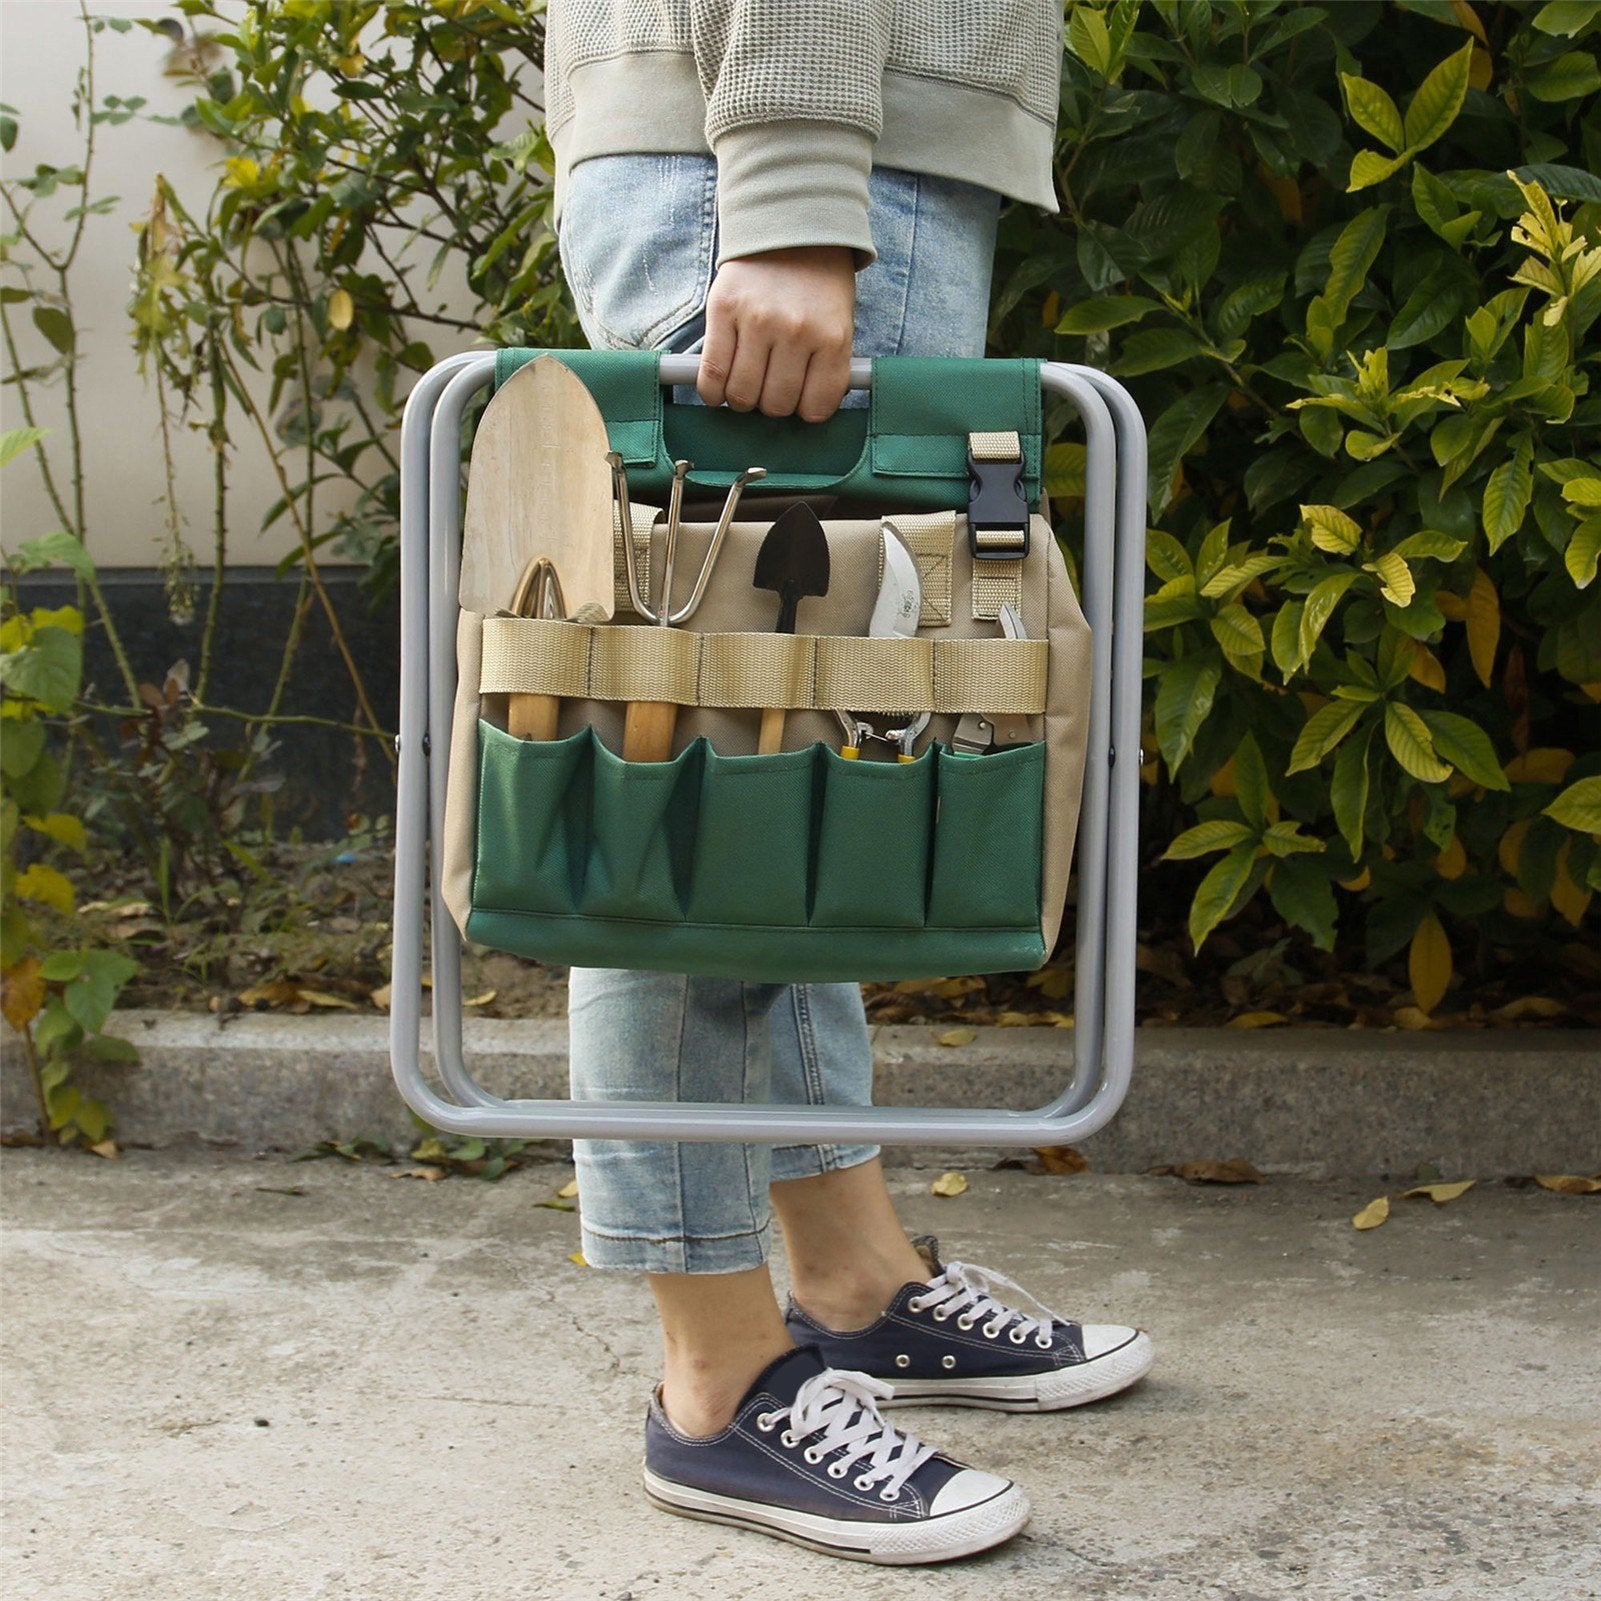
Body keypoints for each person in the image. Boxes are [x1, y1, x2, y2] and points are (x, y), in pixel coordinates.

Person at [542, 1, 1153, 1565]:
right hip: (775, 152)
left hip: (835, 139)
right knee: (682, 781)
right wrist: (798, 190)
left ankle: (850, 1275)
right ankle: (719, 1379)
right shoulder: (786, 181)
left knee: (801, 751)